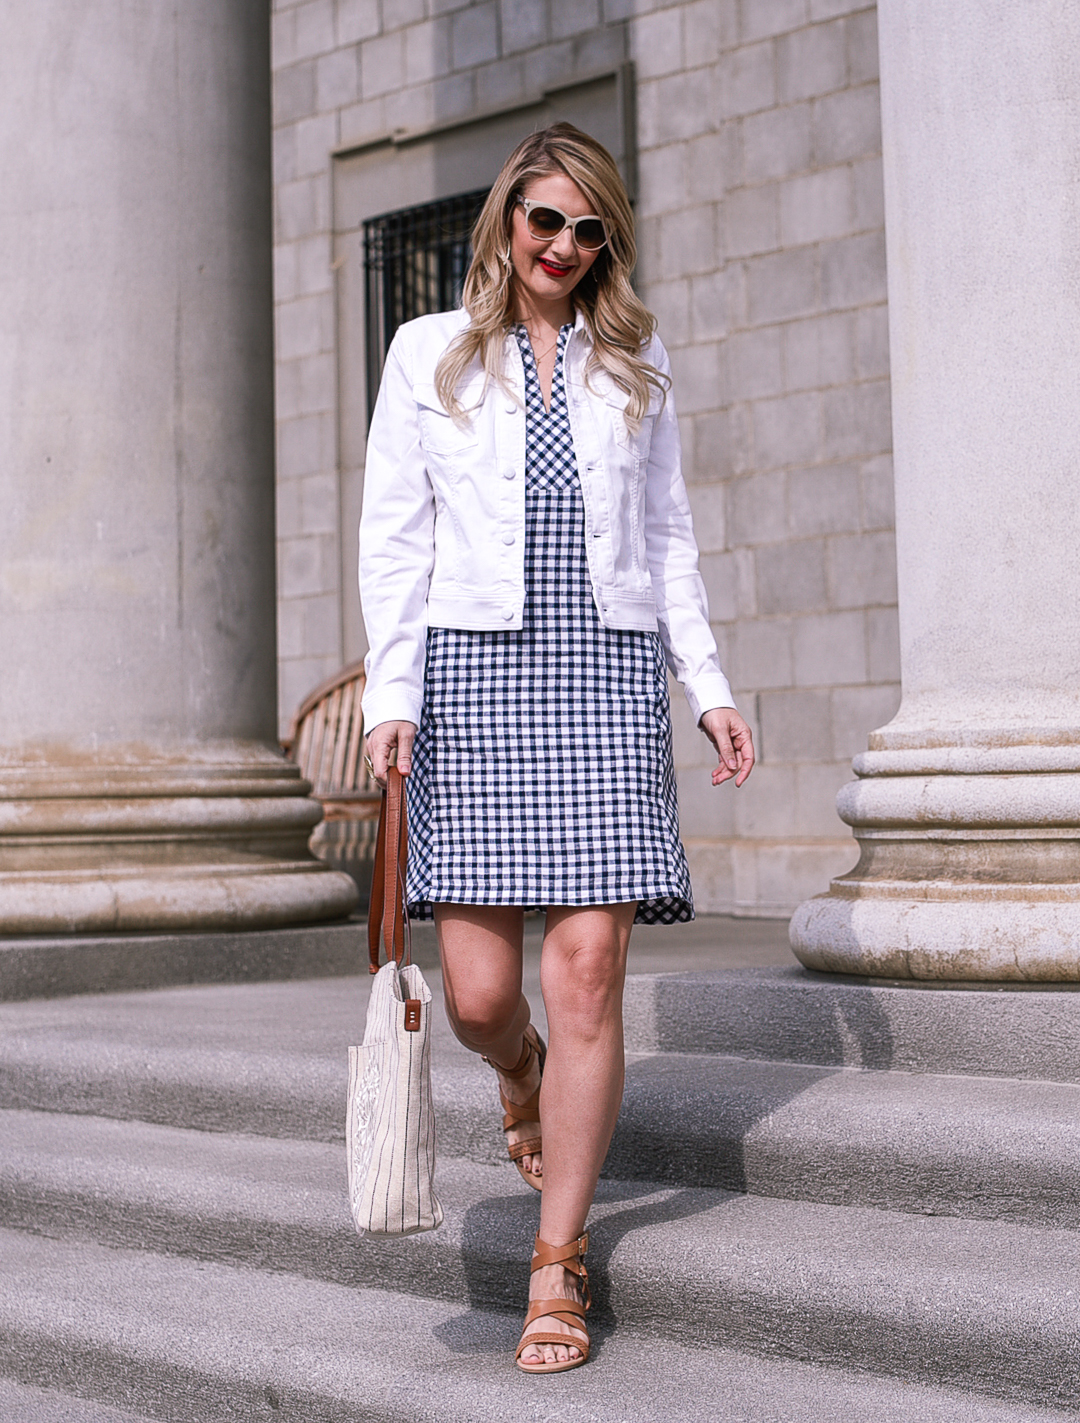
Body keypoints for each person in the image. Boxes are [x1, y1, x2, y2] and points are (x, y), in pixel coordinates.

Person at [359, 123, 754, 1375]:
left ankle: (556, 1259)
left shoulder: (636, 362)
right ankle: (517, 1071)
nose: (566, 248)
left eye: (590, 230)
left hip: (605, 672)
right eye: (547, 222)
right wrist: (391, 694)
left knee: (587, 975)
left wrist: (710, 684)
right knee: (481, 995)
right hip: (474, 679)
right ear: (506, 220)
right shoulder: (427, 353)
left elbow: (672, 537)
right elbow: (394, 541)